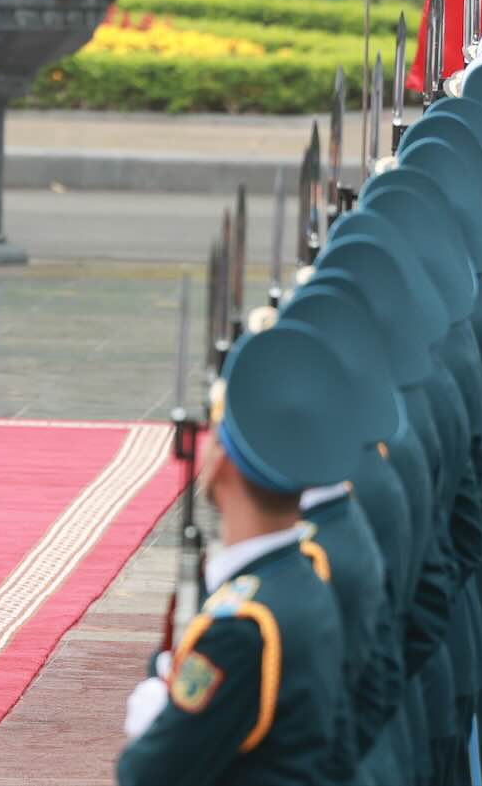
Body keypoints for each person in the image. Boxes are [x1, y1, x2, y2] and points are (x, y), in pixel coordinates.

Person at [118, 323, 357, 785]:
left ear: (224, 462)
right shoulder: (304, 576)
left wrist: (155, 693)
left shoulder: (242, 627)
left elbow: (147, 772)